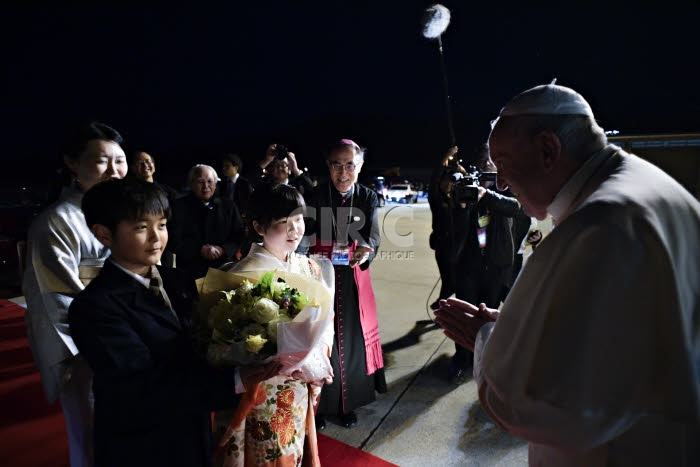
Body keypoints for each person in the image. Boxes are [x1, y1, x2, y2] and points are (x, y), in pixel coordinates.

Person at [434, 83, 700, 465]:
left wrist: (488, 338)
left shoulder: (599, 223)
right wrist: (521, 328)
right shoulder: (638, 189)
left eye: (504, 164)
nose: (502, 184)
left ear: (548, 150)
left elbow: (549, 405)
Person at [68, 177, 280, 467]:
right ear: (104, 234)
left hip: (191, 427)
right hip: (144, 444)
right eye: (142, 227)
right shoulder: (95, 307)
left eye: (162, 225)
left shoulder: (176, 280)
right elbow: (144, 390)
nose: (157, 238)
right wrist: (234, 380)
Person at [22, 121, 127, 467]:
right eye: (101, 161)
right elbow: (56, 298)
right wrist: (105, 340)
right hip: (90, 347)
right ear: (72, 163)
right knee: (93, 435)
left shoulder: (125, 214)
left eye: (120, 160)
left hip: (130, 337)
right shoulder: (57, 222)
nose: (114, 171)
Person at [214, 183, 334, 467]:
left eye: (298, 220)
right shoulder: (240, 275)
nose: (295, 230)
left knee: (294, 450)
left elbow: (323, 323)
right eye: (283, 222)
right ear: (258, 225)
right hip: (263, 389)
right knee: (269, 454)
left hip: (301, 382)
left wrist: (317, 359)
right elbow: (223, 342)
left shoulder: (310, 267)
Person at [304, 139, 386, 429]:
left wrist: (367, 248)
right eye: (337, 165)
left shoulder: (367, 196)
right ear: (328, 165)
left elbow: (373, 235)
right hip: (320, 278)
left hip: (352, 278)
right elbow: (303, 235)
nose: (343, 172)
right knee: (319, 343)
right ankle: (318, 407)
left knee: (350, 342)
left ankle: (346, 405)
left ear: (359, 167)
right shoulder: (314, 195)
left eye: (350, 165)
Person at [442, 144, 521, 384]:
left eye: (491, 160)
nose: (486, 164)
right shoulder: (467, 185)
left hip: (497, 264)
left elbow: (515, 207)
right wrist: (463, 205)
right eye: (483, 160)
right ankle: (461, 358)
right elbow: (453, 224)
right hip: (469, 264)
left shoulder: (507, 186)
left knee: (488, 313)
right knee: (466, 311)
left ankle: (485, 357)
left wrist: (486, 195)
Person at [168, 164, 246, 279]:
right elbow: (173, 238)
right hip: (189, 270)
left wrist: (223, 249)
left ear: (215, 183)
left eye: (210, 181)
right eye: (200, 182)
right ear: (191, 183)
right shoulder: (178, 206)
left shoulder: (228, 206)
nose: (206, 186)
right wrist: (199, 249)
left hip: (224, 268)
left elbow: (239, 234)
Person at [247, 143, 314, 194]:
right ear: (272, 169)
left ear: (290, 169)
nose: (279, 168)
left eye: (283, 165)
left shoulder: (297, 187)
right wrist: (267, 160)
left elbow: (312, 191)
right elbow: (251, 178)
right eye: (276, 165)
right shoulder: (266, 187)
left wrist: (296, 170)